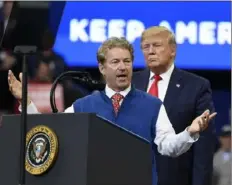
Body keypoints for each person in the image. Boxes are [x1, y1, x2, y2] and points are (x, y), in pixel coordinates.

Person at [8, 37, 216, 185]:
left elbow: (169, 147)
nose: (122, 67)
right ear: (102, 67)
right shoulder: (84, 106)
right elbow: (49, 134)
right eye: (115, 62)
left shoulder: (152, 105)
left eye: (127, 61)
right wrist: (25, 100)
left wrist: (190, 131)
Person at [132, 26, 216, 185]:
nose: (150, 51)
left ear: (173, 50)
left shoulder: (196, 86)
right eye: (145, 47)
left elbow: (203, 148)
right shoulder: (130, 83)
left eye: (156, 45)